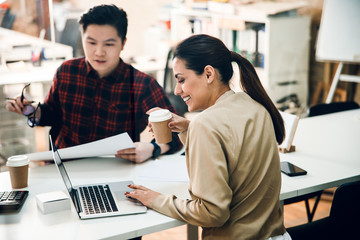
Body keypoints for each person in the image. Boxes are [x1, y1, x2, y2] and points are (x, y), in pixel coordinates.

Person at [126, 34, 291, 240]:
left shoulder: (206, 125)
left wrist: (156, 199)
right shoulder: (255, 106)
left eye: (182, 80)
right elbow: (233, 149)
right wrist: (189, 128)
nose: (177, 90)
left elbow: (212, 213)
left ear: (209, 74)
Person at [5, 4, 182, 163]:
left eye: (109, 44)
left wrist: (152, 149)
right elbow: (52, 114)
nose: (99, 52)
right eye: (91, 42)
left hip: (113, 169)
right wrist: (29, 110)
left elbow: (175, 135)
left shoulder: (141, 84)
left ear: (123, 44)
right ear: (82, 39)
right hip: (65, 166)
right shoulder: (67, 71)